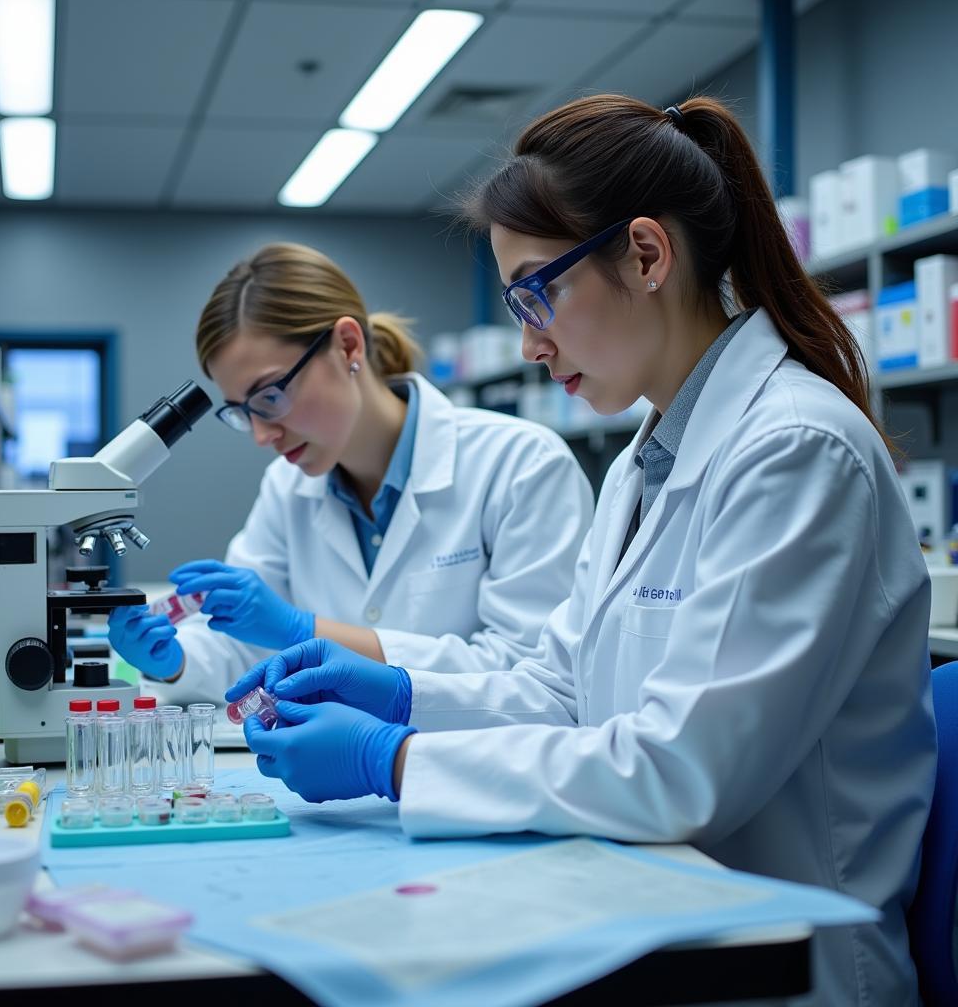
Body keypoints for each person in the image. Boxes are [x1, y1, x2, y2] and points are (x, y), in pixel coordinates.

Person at [230, 97, 937, 1005]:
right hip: (648, 916)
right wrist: (405, 690)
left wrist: (392, 761)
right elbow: (563, 688)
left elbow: (680, 772)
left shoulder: (796, 449)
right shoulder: (644, 463)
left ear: (646, 255)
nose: (528, 342)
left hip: (781, 963)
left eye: (537, 292)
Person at [109, 241, 593, 703]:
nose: (262, 436)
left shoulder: (520, 464)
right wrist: (173, 660)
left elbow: (527, 672)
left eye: (270, 397)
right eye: (243, 412)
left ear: (346, 345)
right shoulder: (288, 487)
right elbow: (243, 647)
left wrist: (306, 632)